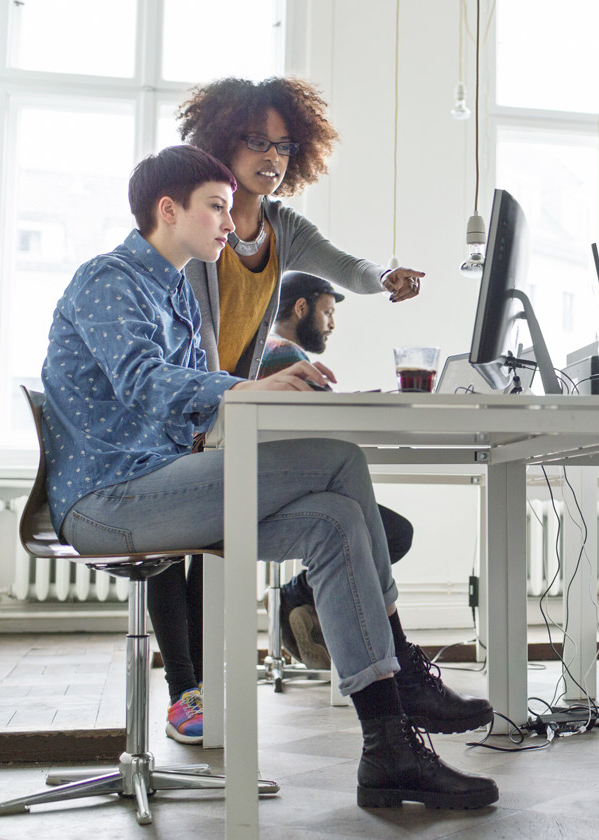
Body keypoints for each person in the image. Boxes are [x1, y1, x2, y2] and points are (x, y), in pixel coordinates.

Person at [42, 145, 498, 809]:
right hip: (106, 500)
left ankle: (388, 747)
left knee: (335, 520)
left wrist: (254, 397)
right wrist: (244, 391)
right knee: (340, 459)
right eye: (217, 208)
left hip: (157, 484)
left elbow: (198, 405)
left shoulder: (175, 294)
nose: (232, 224)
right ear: (169, 211)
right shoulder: (111, 280)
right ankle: (402, 668)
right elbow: (145, 384)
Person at [147, 75, 428, 743]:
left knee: (218, 539)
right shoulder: (197, 217)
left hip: (228, 411)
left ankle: (219, 681)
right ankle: (184, 689)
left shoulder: (282, 227)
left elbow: (344, 264)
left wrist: (383, 278)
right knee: (172, 551)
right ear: (223, 142)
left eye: (282, 145)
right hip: (176, 408)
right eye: (254, 142)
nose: (270, 157)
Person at [258, 270, 417, 673]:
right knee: (391, 533)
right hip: (290, 489)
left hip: (276, 482)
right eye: (328, 312)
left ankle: (298, 600)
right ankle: (296, 597)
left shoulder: (266, 351)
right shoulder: (286, 356)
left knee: (378, 529)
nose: (332, 324)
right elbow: (328, 430)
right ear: (300, 308)